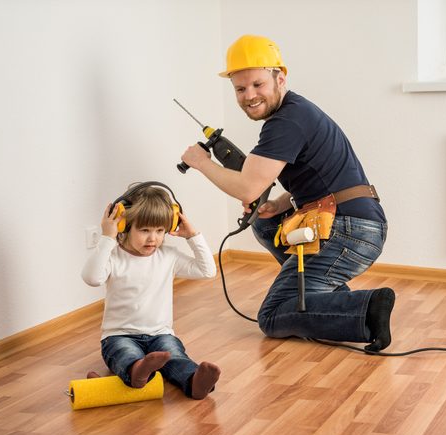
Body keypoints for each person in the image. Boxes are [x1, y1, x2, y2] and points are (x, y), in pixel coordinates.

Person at [180, 35, 395, 352]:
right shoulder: (296, 113)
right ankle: (326, 298)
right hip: (352, 221)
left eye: (257, 85)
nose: (249, 96)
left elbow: (249, 187)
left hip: (350, 231)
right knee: (266, 222)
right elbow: (323, 179)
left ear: (280, 78)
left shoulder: (286, 121)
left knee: (271, 316)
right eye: (240, 89)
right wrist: (283, 202)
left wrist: (201, 163)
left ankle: (365, 308)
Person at [81, 183, 220, 399]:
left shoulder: (168, 256)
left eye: (160, 231)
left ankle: (194, 382)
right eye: (144, 230)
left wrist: (192, 235)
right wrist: (107, 238)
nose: (153, 238)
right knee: (125, 354)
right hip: (120, 335)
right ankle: (139, 370)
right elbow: (91, 277)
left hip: (161, 335)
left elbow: (207, 271)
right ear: (124, 225)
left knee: (176, 357)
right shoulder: (114, 257)